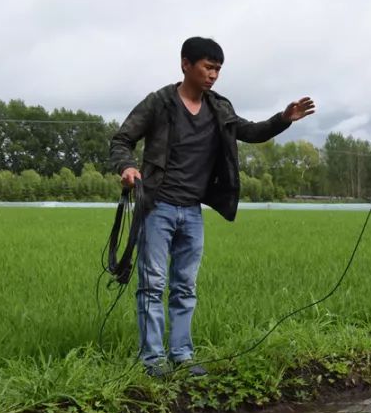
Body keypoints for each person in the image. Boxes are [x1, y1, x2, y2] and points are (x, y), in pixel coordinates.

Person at [109, 37, 315, 376]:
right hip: (157, 206)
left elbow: (249, 131)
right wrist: (127, 167)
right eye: (208, 67)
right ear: (185, 64)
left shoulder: (219, 107)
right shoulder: (159, 103)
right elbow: (122, 139)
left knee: (185, 286)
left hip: (192, 211)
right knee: (152, 284)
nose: (213, 75)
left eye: (218, 69)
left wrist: (284, 118)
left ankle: (182, 356)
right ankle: (152, 361)